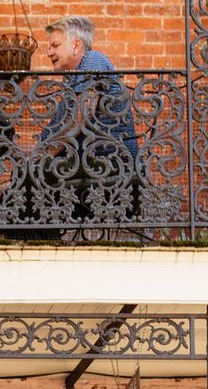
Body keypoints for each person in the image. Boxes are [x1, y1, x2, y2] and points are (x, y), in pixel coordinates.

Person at [39, 15, 140, 230]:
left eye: (55, 45)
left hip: (112, 164)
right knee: (29, 172)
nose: (49, 53)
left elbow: (78, 118)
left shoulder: (94, 60)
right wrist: (33, 153)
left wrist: (42, 156)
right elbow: (51, 132)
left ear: (76, 46)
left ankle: (25, 239)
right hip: (89, 164)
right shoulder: (72, 83)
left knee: (36, 172)